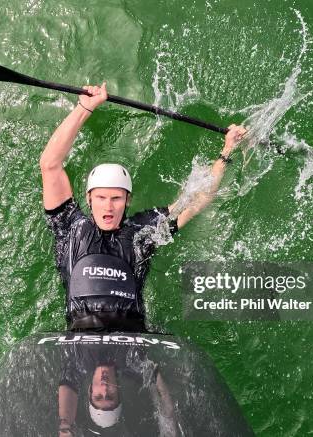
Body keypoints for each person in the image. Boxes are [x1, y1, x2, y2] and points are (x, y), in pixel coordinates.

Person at [41, 82, 246, 332]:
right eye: (101, 198)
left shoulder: (143, 232)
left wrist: (227, 150)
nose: (108, 207)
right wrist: (86, 106)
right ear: (89, 198)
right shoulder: (70, 227)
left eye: (116, 199)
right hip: (81, 335)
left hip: (136, 336)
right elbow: (50, 164)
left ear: (127, 200)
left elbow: (197, 199)